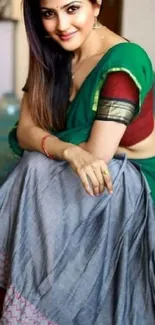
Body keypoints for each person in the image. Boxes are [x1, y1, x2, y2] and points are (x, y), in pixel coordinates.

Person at [0, 0, 155, 323]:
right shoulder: (53, 55)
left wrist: (50, 145)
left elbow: (97, 156)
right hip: (78, 173)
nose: (61, 25)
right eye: (48, 13)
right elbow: (25, 130)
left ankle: (46, 302)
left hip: (130, 184)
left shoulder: (125, 61)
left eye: (72, 9)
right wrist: (66, 149)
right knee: (37, 166)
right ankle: (36, 294)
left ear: (96, 5)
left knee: (38, 167)